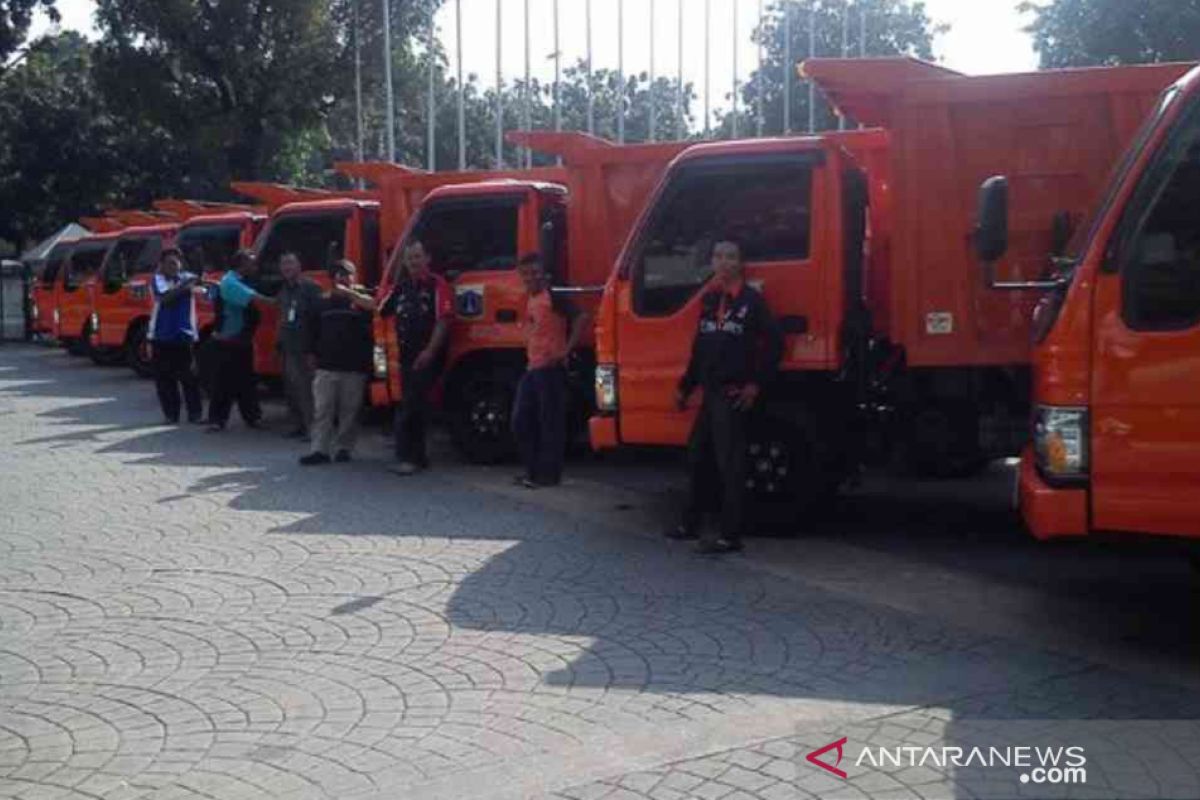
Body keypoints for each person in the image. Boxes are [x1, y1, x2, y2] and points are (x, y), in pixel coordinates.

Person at [669, 240, 783, 554]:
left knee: (730, 466)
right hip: (709, 395)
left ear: (740, 263)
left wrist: (755, 385)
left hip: (732, 395)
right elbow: (699, 350)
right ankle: (689, 525)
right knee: (696, 458)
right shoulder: (709, 301)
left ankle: (730, 536)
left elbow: (774, 344)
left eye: (730, 256)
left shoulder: (752, 301)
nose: (723, 262)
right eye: (718, 256)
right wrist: (685, 386)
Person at [511, 253, 588, 489]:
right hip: (533, 368)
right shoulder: (531, 299)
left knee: (550, 424)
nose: (531, 276)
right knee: (521, 420)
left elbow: (581, 317)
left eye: (535, 272)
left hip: (551, 369)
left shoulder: (554, 295)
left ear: (543, 272)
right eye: (526, 273)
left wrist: (565, 350)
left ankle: (548, 476)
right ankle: (533, 470)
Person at [378, 241, 453, 476]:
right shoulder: (401, 288)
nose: (414, 262)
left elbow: (444, 320)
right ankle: (417, 457)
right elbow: (380, 308)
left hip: (426, 354)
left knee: (410, 406)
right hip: (405, 355)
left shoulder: (437, 285)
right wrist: (349, 293)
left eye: (418, 257)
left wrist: (430, 351)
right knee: (412, 405)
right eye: (410, 258)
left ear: (427, 258)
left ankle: (408, 457)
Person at [300, 260, 377, 465]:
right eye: (337, 275)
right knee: (323, 411)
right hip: (326, 366)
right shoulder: (322, 301)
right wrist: (310, 354)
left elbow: (375, 305)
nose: (341, 278)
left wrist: (351, 294)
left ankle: (344, 448)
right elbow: (311, 329)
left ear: (354, 276)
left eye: (346, 274)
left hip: (354, 367)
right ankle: (319, 450)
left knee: (349, 412)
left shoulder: (362, 299)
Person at [206, 249, 274, 432]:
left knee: (246, 381)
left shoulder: (242, 280)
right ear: (241, 264)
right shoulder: (230, 282)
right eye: (251, 263)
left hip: (241, 339)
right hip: (228, 340)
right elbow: (255, 298)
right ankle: (217, 420)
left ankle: (252, 417)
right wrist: (279, 302)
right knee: (223, 383)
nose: (255, 266)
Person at [148, 247, 204, 424]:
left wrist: (199, 284)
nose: (174, 266)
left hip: (184, 336)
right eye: (170, 263)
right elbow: (165, 299)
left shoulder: (188, 278)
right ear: (162, 265)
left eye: (176, 262)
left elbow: (205, 291)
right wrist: (186, 286)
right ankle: (171, 414)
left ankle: (195, 414)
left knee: (190, 378)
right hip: (161, 336)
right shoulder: (157, 280)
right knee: (165, 380)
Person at [275, 252, 322, 439]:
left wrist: (314, 350)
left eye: (290, 263)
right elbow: (282, 316)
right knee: (292, 390)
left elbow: (318, 321)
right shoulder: (284, 290)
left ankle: (313, 430)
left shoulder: (311, 288)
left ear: (299, 266)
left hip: (306, 348)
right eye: (283, 264)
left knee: (307, 390)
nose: (286, 267)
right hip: (288, 347)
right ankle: (298, 425)